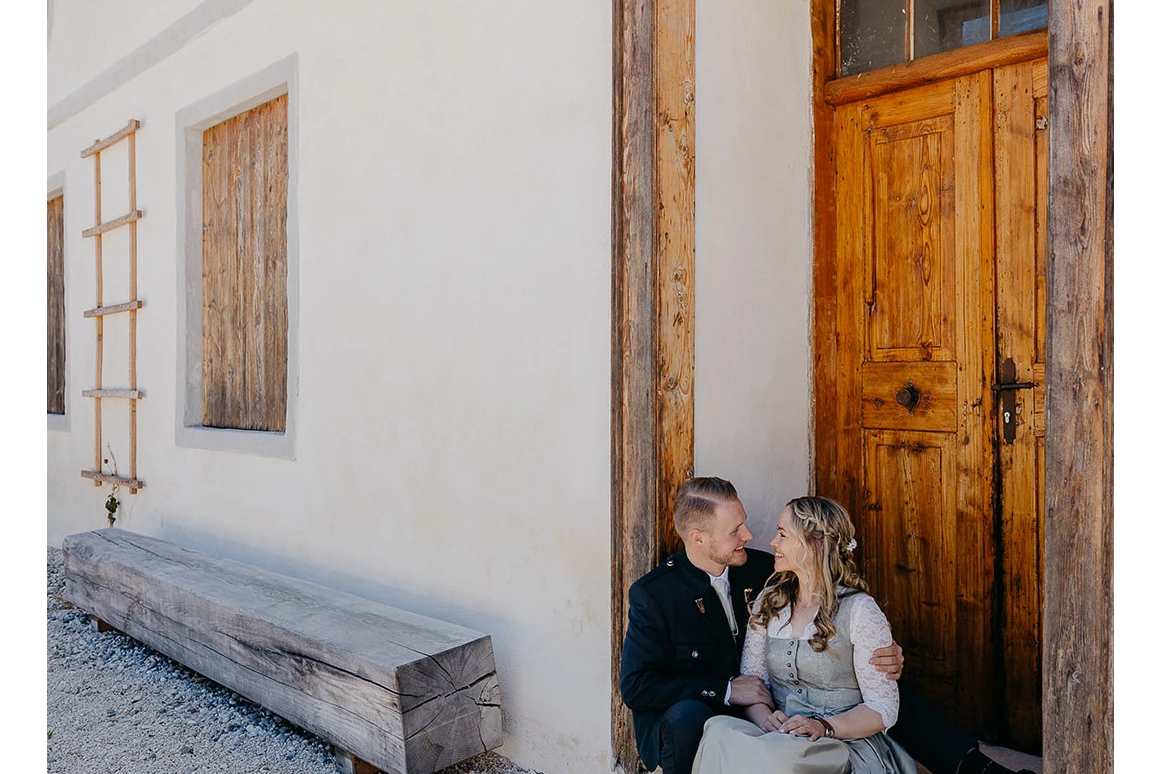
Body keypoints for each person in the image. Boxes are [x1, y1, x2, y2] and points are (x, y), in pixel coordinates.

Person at [619, 477, 1033, 774]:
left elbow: (837, 604)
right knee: (704, 723)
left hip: (806, 705)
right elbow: (637, 686)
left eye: (753, 525)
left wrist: (884, 653)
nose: (754, 534)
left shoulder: (767, 569)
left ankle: (971, 766)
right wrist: (731, 692)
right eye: (736, 530)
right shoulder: (655, 594)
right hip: (716, 701)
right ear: (698, 538)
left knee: (884, 687)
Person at [691, 495, 913, 773]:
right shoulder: (770, 602)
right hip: (783, 736)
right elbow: (754, 683)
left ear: (815, 544)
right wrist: (765, 719)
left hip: (840, 743)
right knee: (718, 730)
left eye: (783, 534)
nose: (773, 542)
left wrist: (823, 727)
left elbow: (883, 709)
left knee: (783, 759)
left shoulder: (859, 610)